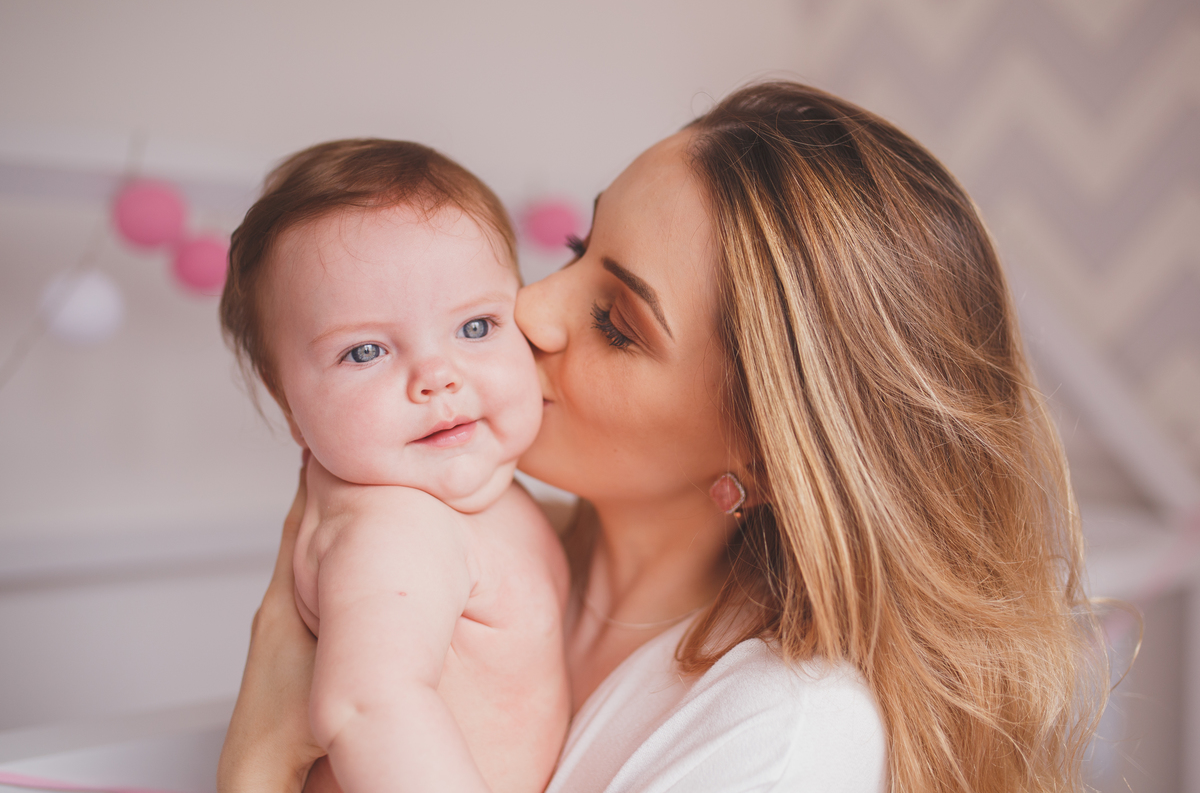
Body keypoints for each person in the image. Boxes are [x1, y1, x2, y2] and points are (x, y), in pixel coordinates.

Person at [218, 83, 1106, 793]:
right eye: (574, 247)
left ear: (763, 448)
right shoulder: (481, 541)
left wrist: (259, 756)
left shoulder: (781, 740)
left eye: (617, 322)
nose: (528, 309)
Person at [217, 139, 570, 793]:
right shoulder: (393, 524)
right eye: (366, 351)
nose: (437, 377)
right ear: (286, 401)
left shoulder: (474, 501)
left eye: (475, 327)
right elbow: (370, 706)